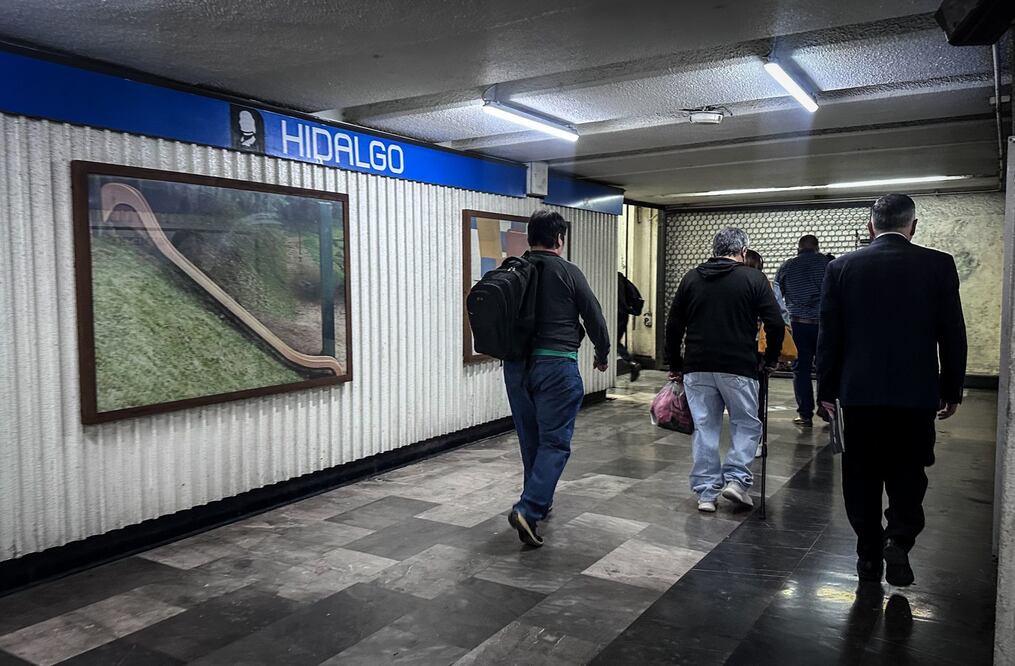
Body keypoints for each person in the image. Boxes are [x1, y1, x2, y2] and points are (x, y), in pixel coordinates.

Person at [817, 193, 967, 586]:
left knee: (860, 475)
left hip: (858, 394)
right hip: (915, 394)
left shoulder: (842, 268)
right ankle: (898, 540)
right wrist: (951, 388)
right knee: (909, 472)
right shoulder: (938, 265)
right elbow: (952, 333)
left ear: (870, 226)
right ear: (912, 226)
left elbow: (829, 336)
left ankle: (868, 555)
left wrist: (826, 391)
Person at [505, 210, 610, 547]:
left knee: (531, 439)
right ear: (560, 239)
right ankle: (530, 507)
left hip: (516, 368)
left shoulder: (513, 271)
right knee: (555, 442)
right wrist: (603, 353)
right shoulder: (567, 271)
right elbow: (594, 317)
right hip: (556, 366)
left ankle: (537, 500)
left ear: (529, 237)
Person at [665, 228, 784, 513]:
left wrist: (675, 363)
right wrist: (770, 359)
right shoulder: (753, 278)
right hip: (738, 366)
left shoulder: (691, 278)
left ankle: (706, 493)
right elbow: (775, 323)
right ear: (743, 251)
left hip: (697, 366)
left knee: (705, 428)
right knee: (746, 423)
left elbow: (673, 325)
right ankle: (737, 481)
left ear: (715, 249)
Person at [776, 234, 832, 427]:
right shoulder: (827, 264)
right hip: (823, 325)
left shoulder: (788, 266)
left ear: (798, 248)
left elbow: (777, 295)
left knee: (801, 370)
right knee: (826, 368)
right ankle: (827, 411)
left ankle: (805, 414)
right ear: (817, 247)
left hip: (798, 325)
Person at [744, 250, 794, 458]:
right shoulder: (769, 285)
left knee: (740, 395)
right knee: (758, 394)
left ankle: (742, 440)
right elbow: (780, 317)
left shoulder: (733, 283)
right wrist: (773, 356)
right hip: (761, 349)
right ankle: (756, 440)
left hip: (737, 347)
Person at [617, 272, 644, 382]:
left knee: (613, 341)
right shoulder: (621, 278)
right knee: (615, 341)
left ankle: (631, 363)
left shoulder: (611, 278)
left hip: (615, 313)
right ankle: (631, 363)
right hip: (623, 314)